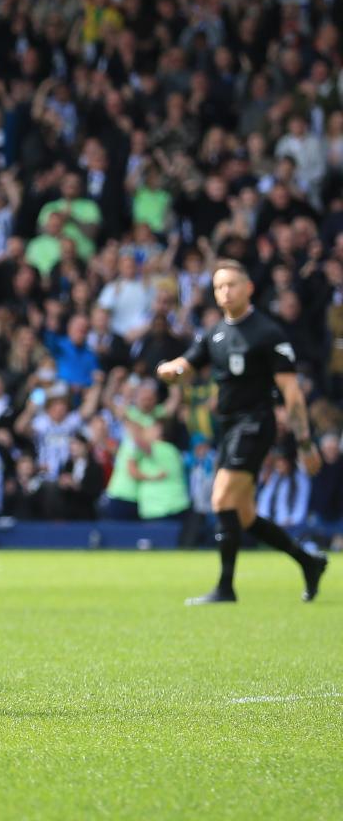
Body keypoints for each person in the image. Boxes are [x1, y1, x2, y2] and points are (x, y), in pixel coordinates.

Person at [157, 259, 327, 605]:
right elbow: (188, 363)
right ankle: (308, 561)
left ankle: (225, 588)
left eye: (231, 284)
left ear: (248, 288)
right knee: (244, 514)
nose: (225, 292)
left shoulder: (267, 333)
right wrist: (170, 370)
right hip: (229, 427)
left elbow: (292, 392)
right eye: (219, 287)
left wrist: (305, 442)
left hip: (256, 424)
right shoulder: (216, 333)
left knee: (221, 498)